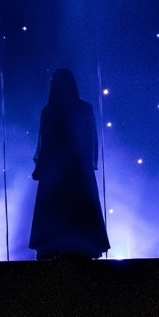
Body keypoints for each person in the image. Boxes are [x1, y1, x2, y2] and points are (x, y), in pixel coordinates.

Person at [29, 68, 110, 259]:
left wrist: (41, 168)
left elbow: (46, 144)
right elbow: (89, 140)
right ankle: (80, 248)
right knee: (79, 210)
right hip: (78, 172)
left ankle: (57, 249)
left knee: (56, 210)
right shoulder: (83, 108)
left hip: (56, 173)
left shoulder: (49, 111)